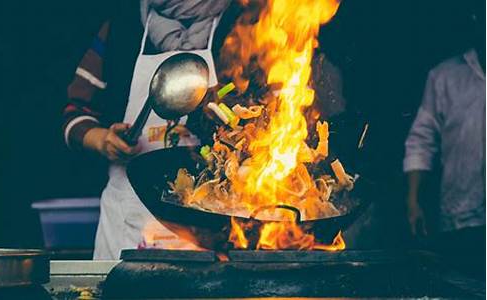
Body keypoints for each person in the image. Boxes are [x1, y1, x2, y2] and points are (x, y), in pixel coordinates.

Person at [63, 0, 346, 260]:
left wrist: (224, 114)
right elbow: (74, 110)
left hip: (211, 227)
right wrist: (101, 140)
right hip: (127, 221)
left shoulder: (245, 22)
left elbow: (275, 120)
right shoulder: (123, 25)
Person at [403, 9, 485, 275]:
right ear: (476, 19)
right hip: (461, 219)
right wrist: (413, 200)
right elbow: (420, 142)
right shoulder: (444, 77)